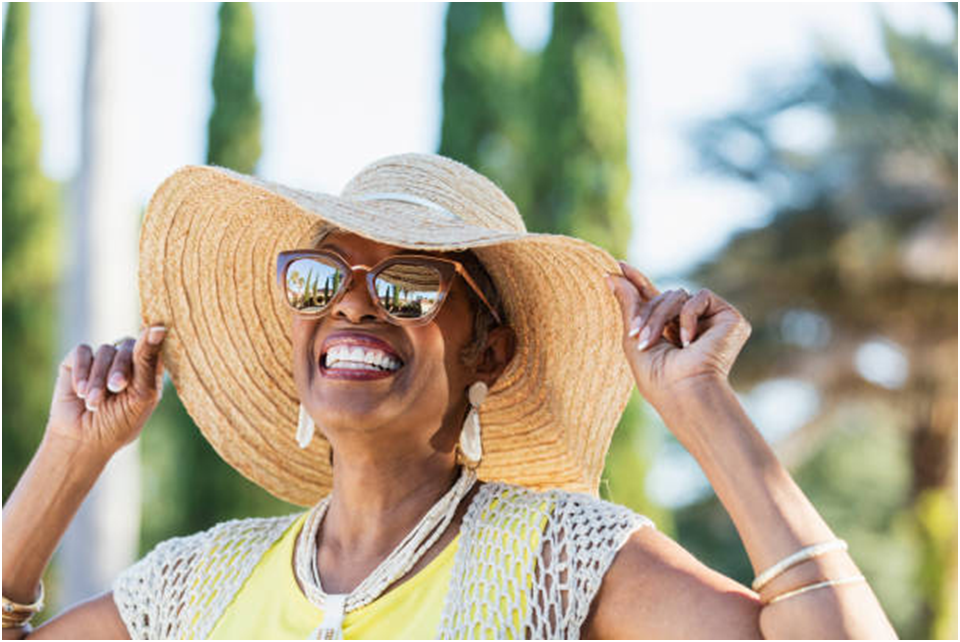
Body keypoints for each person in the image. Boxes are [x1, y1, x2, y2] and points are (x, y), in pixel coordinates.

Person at [1, 153, 898, 640]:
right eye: (320, 279)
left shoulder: (562, 560)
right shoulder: (197, 585)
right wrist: (68, 459)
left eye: (410, 286)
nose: (353, 300)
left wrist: (703, 407)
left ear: (489, 351)